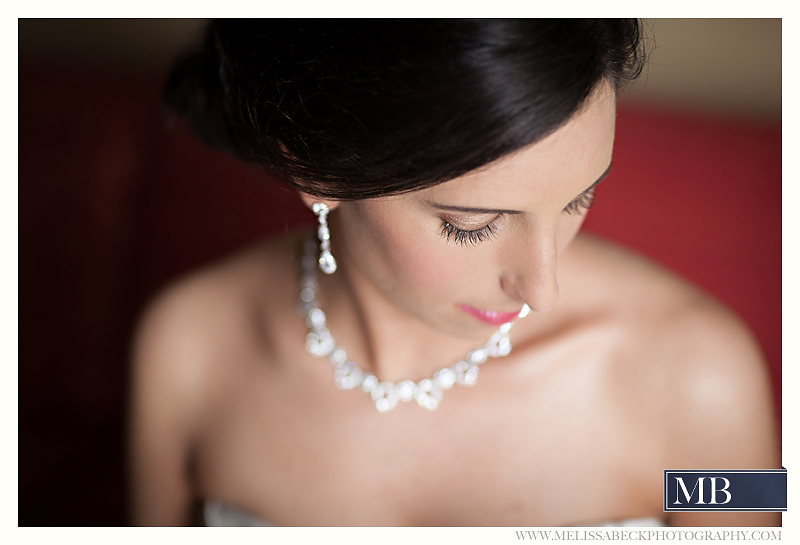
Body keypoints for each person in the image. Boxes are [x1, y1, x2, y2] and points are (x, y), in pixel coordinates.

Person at [129, 19, 779, 526]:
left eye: (580, 197)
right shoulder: (185, 348)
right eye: (474, 223)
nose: (541, 289)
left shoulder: (709, 377)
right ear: (313, 169)